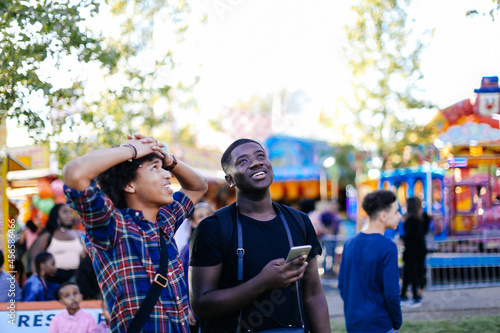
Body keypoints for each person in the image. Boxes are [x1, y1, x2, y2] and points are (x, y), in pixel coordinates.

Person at [63, 133, 208, 332]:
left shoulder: (164, 220)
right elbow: (74, 173)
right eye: (154, 168)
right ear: (129, 185)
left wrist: (167, 158)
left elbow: (198, 185)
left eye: (163, 168)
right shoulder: (112, 225)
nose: (167, 174)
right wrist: (130, 150)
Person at [189, 138, 330, 332]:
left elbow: (313, 294)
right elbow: (202, 304)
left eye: (260, 156)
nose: (256, 162)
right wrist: (262, 282)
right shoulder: (213, 228)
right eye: (243, 161)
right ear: (230, 180)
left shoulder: (299, 221)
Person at [338, 189, 402, 333]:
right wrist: (397, 322)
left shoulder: (349, 244)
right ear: (383, 216)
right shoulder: (388, 247)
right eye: (396, 211)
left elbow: (342, 286)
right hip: (380, 323)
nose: (399, 216)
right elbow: (392, 293)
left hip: (353, 323)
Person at [180, 201, 215, 332]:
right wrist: (186, 308)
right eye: (200, 216)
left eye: (208, 214)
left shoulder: (222, 245)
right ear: (193, 223)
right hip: (196, 310)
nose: (206, 218)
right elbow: (181, 279)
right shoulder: (188, 251)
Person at [29, 204, 85, 284]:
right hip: (52, 280)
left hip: (75, 279)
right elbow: (34, 257)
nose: (69, 215)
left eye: (70, 212)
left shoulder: (77, 234)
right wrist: (38, 278)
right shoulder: (48, 234)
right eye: (64, 212)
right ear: (56, 215)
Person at [400, 196, 428, 307]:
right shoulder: (421, 218)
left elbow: (409, 236)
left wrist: (402, 238)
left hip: (411, 250)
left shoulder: (410, 219)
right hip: (420, 250)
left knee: (410, 272)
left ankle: (414, 296)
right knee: (414, 272)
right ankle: (408, 294)